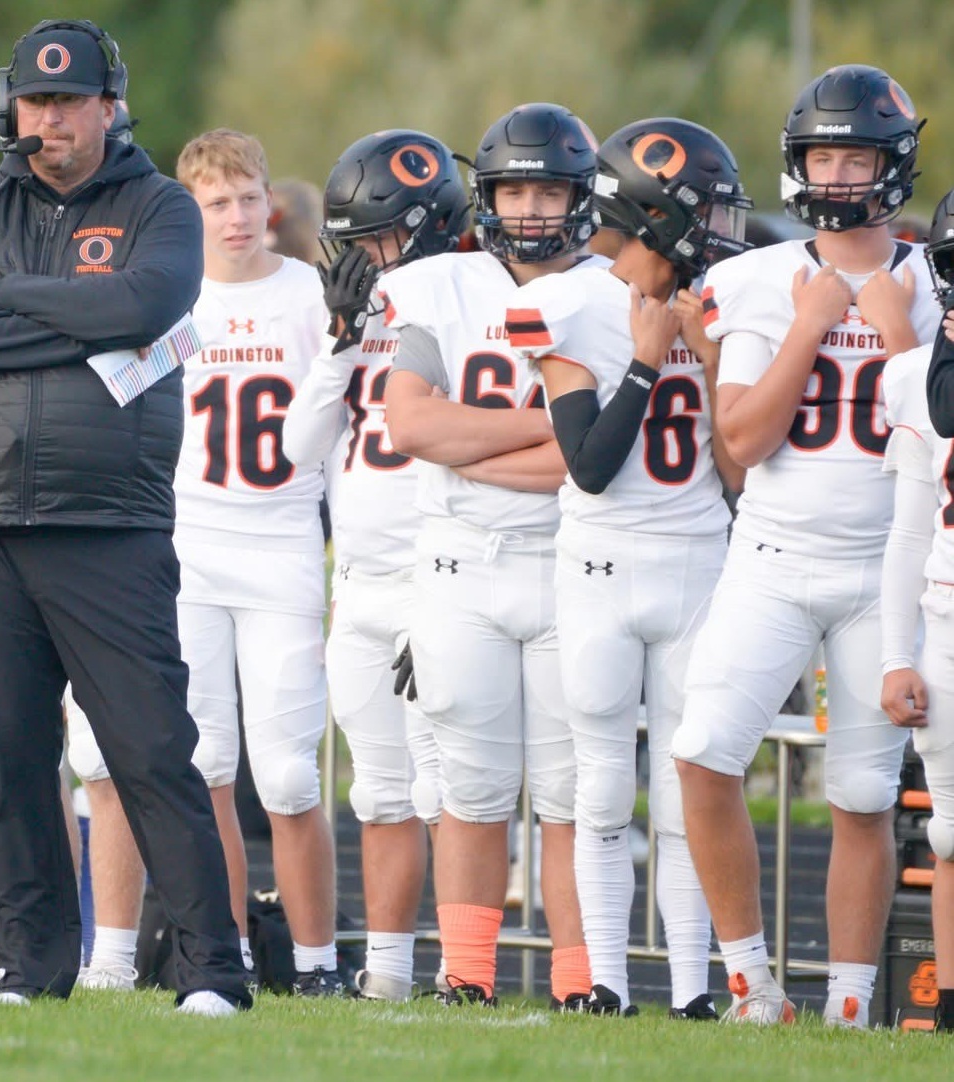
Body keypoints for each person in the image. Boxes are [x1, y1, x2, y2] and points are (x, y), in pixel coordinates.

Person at [0, 18, 250, 1016]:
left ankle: (212, 969)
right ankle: (29, 964)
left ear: (110, 107)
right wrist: (69, 309)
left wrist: (10, 301)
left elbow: (146, 307)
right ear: (11, 106)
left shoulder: (160, 205)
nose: (49, 120)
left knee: (149, 753)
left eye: (68, 102)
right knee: (8, 762)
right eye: (35, 101)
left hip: (108, 525)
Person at [673, 64, 939, 1026]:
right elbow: (740, 446)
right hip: (774, 558)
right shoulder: (755, 280)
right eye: (821, 155)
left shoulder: (930, 281)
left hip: (887, 571)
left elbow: (937, 436)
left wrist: (899, 333)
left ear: (892, 164)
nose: (833, 174)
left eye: (854, 154)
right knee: (702, 753)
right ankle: (752, 986)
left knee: (866, 795)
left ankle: (852, 1006)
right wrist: (810, 327)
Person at [67, 128, 340, 996]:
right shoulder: (171, 298)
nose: (235, 217)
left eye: (248, 198)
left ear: (272, 202)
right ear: (190, 210)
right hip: (190, 545)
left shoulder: (311, 296)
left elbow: (335, 434)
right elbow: (110, 398)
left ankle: (318, 962)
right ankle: (219, 955)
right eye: (216, 203)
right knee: (210, 765)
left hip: (284, 540)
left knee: (292, 774)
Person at [509, 118, 751, 1017]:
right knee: (603, 782)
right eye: (707, 209)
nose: (723, 229)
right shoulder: (568, 305)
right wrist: (649, 360)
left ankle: (695, 990)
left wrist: (716, 355)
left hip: (698, 561)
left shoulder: (718, 305)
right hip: (604, 564)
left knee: (691, 780)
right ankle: (604, 981)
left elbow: (735, 468)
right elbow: (591, 465)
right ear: (655, 213)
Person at [380, 102, 600, 1008]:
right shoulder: (444, 285)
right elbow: (410, 423)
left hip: (571, 560)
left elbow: (592, 465)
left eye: (550, 189)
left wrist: (477, 447)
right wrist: (542, 431)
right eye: (516, 188)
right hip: (459, 560)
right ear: (488, 195)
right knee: (470, 786)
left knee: (569, 794)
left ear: (580, 197)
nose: (535, 208)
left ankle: (582, 979)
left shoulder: (610, 290)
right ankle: (466, 974)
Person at [278, 129, 468, 1000]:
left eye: (372, 240)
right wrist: (341, 344)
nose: (356, 259)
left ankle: (467, 973)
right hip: (359, 585)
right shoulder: (355, 321)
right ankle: (388, 976)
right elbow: (295, 447)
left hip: (445, 578)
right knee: (381, 793)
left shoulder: (473, 302)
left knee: (452, 789)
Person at [898, 187, 954, 1035]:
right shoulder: (921, 372)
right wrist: (893, 654)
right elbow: (906, 529)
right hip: (945, 611)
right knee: (949, 832)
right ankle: (947, 1009)